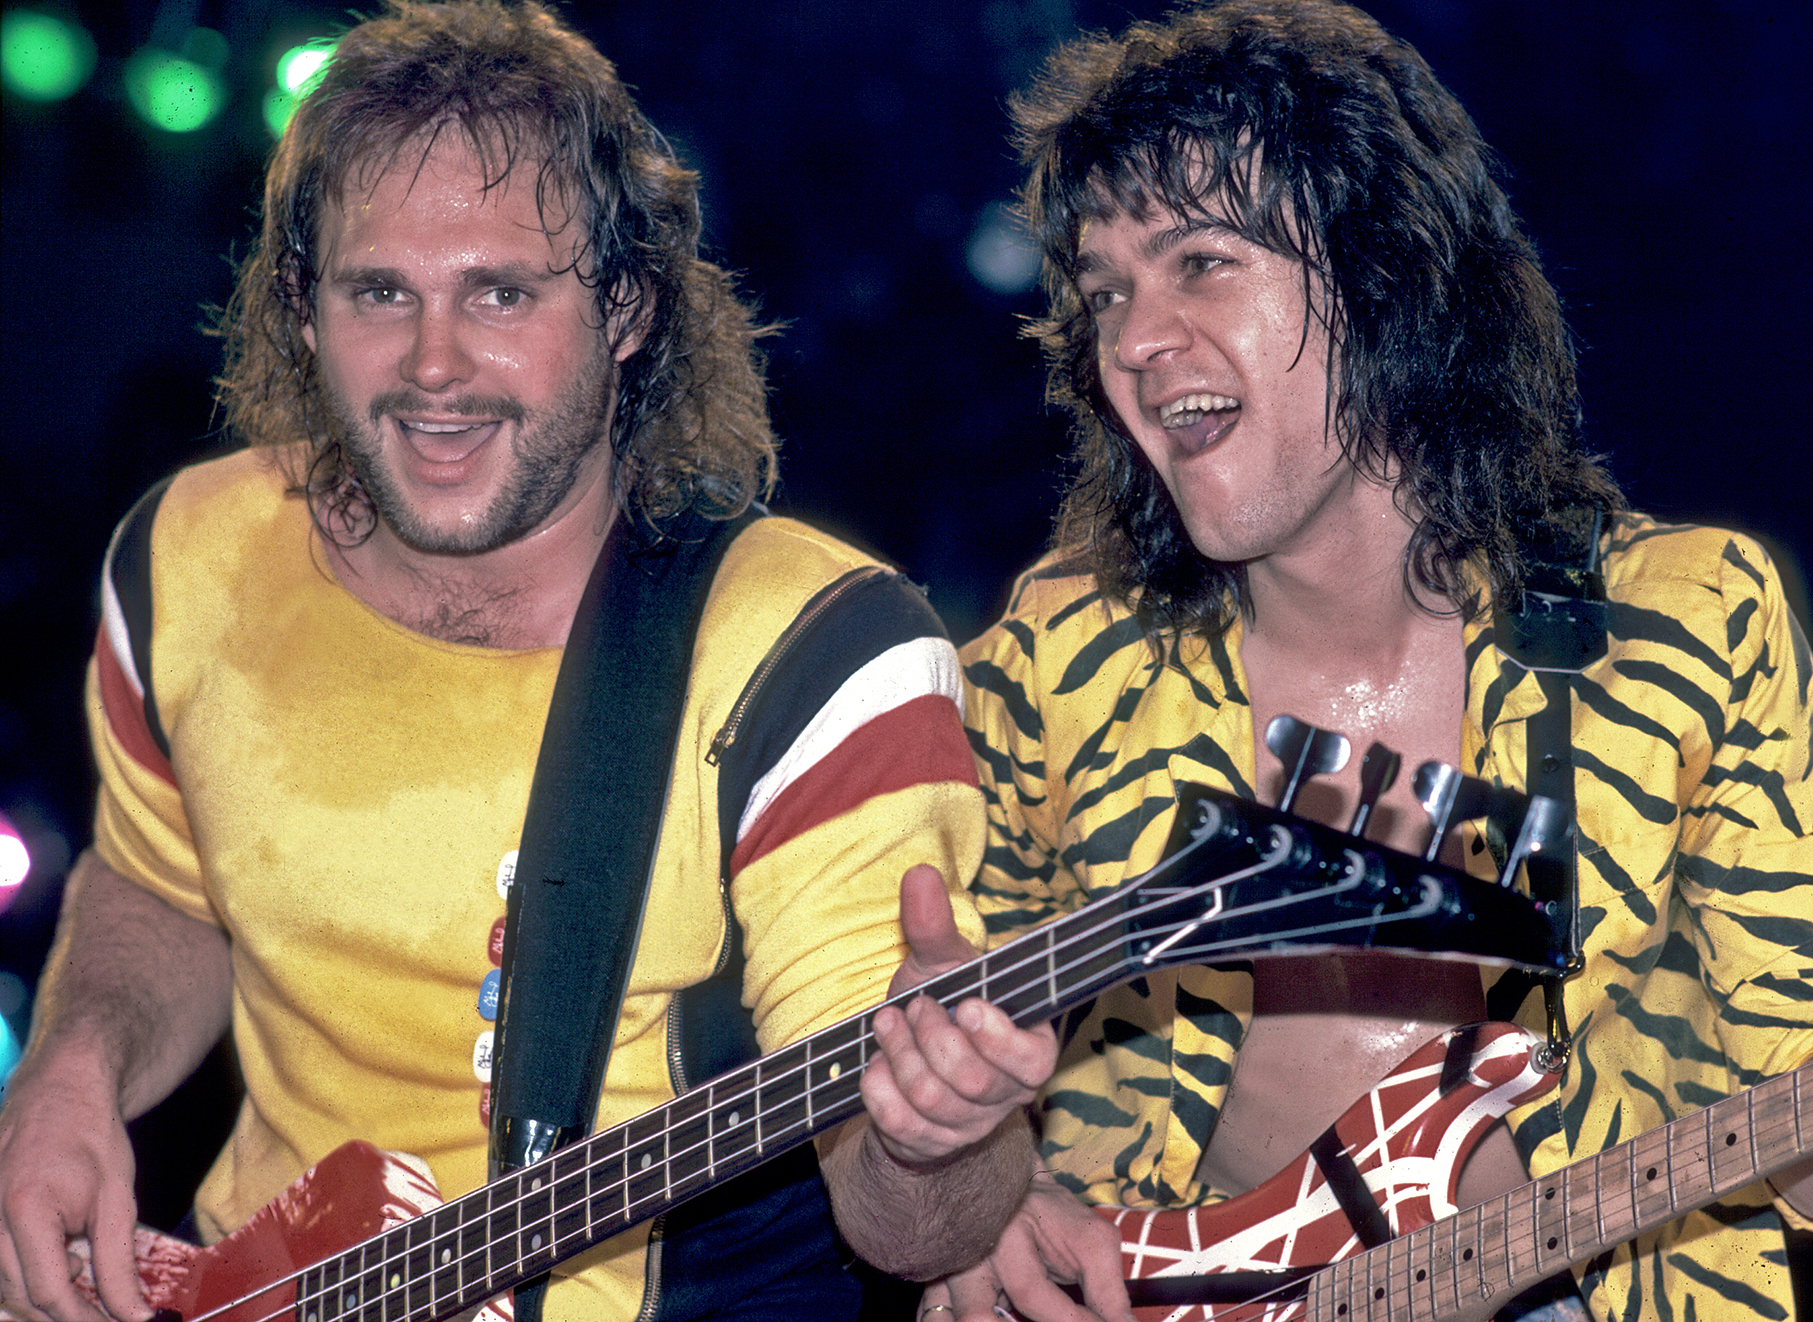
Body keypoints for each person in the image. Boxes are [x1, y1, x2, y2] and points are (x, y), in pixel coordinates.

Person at [935, 3, 1813, 1320]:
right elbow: (916, 1081)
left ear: (1385, 277)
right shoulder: (1064, 658)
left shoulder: (1679, 622)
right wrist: (987, 1202)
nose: (1136, 338)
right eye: (1107, 291)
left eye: (1201, 261)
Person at [0, 4, 1056, 1321]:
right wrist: (69, 1070)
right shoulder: (187, 555)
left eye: (501, 292)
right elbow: (166, 886)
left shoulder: (812, 654)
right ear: (302, 310)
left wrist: (935, 1127)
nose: (435, 368)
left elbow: (909, 1228)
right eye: (379, 291)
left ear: (625, 305)